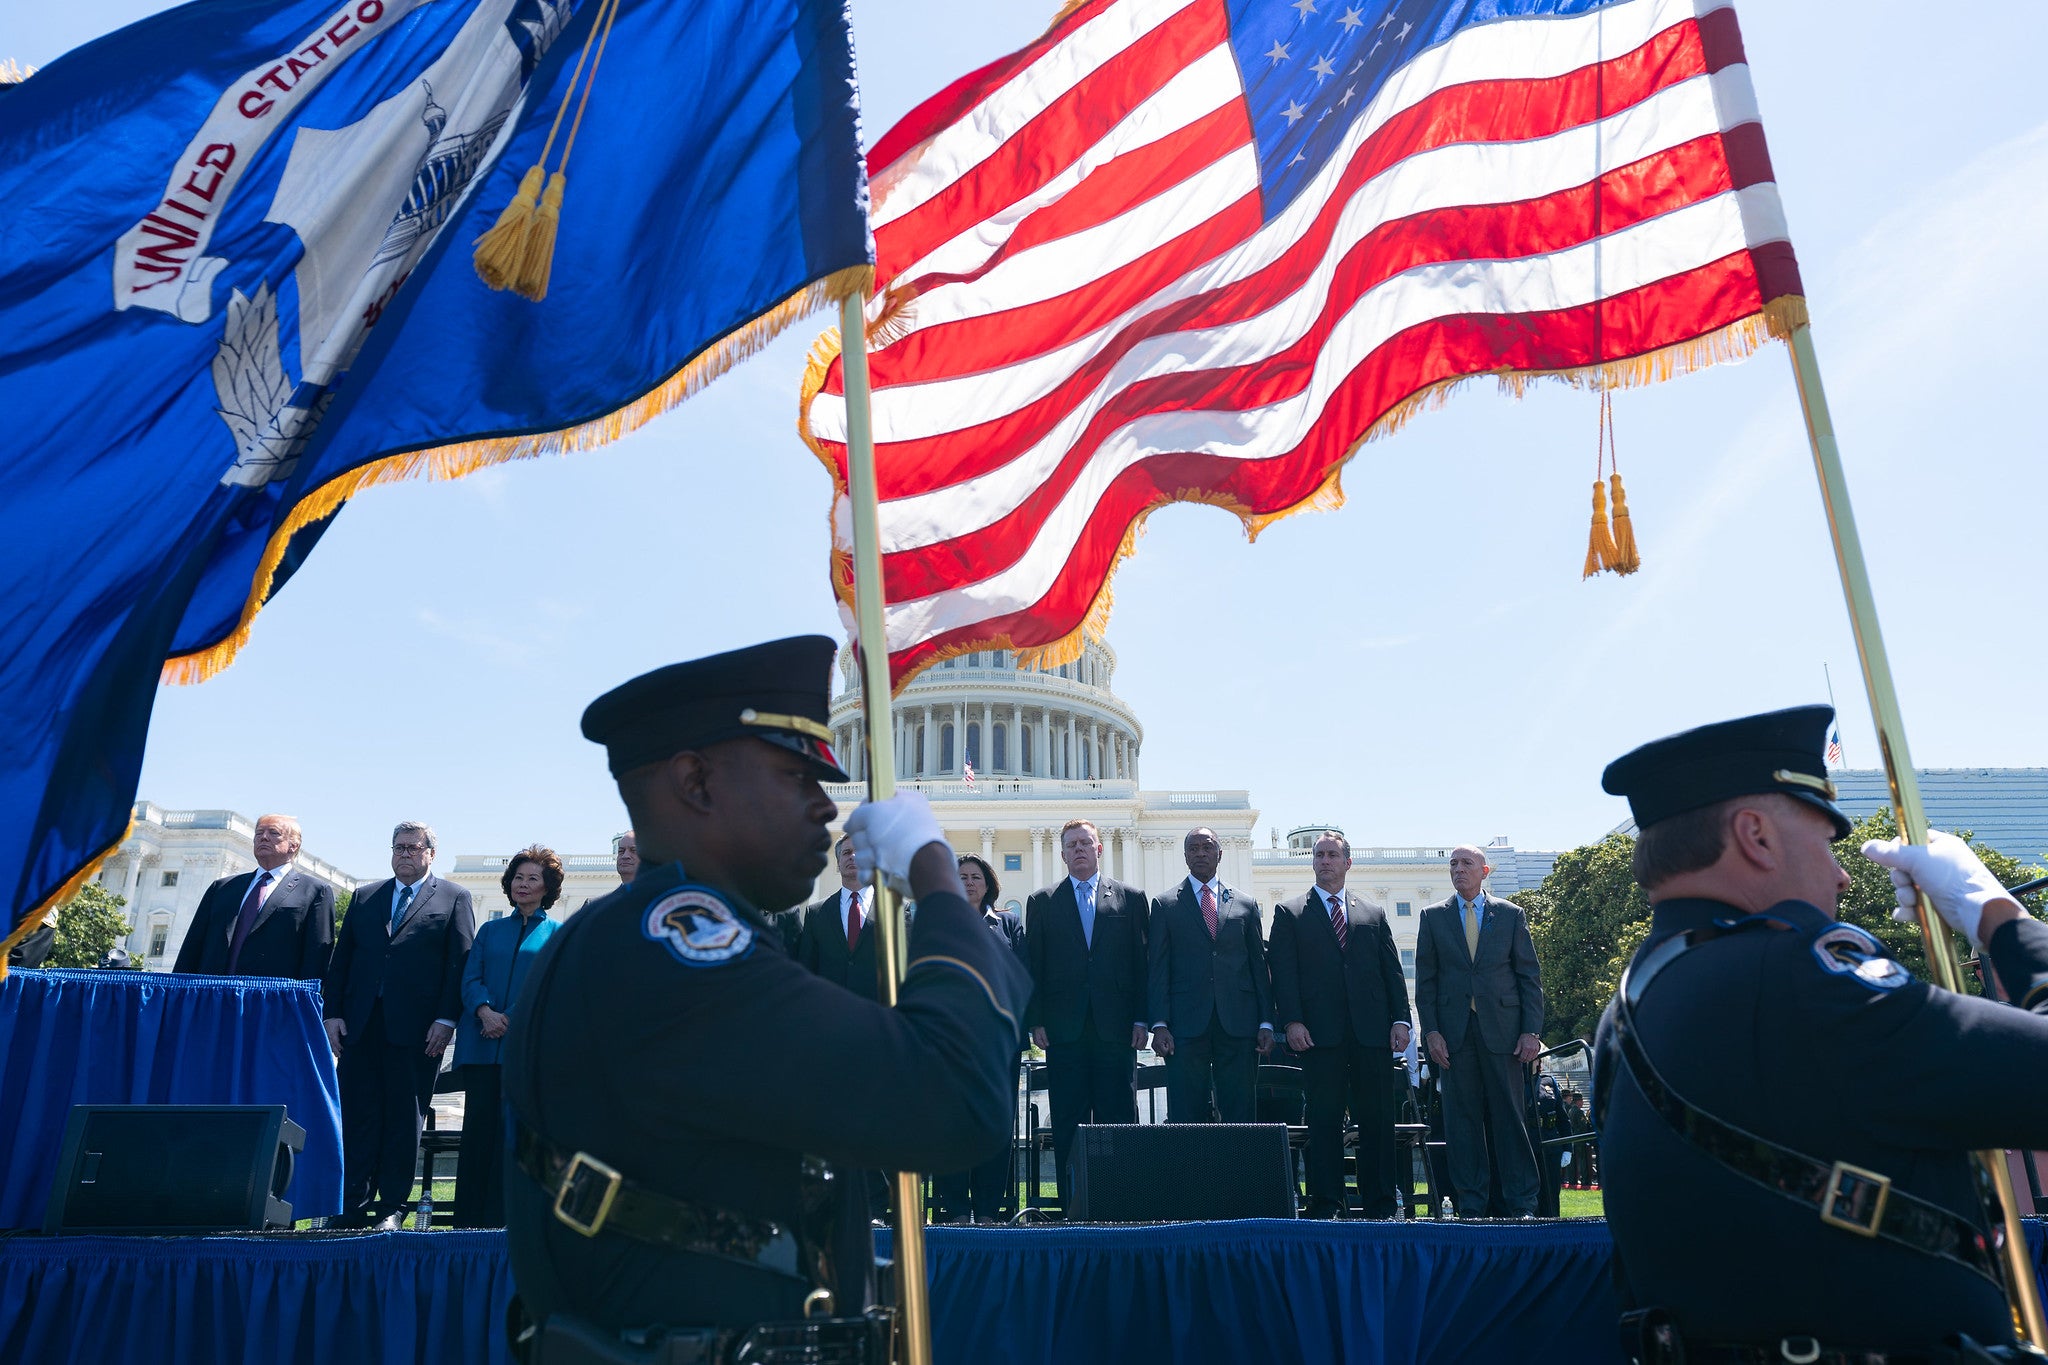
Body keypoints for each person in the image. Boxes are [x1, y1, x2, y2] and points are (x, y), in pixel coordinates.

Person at [501, 636, 1029, 1363]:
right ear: (697, 782)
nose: (827, 808)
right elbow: (952, 1097)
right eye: (797, 776)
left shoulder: (644, 936)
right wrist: (937, 875)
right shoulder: (676, 951)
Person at [1595, 706, 2048, 1361]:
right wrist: (1999, 915)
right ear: (1756, 836)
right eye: (1826, 842)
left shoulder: (1631, 1004)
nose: (1841, 874)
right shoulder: (1802, 978)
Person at [322, 820, 476, 1229]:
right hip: (360, 1027)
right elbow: (341, 962)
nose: (404, 854)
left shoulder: (454, 897)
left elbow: (459, 963)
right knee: (357, 1116)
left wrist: (446, 1019)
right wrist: (332, 1014)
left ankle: (391, 1206)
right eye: (398, 847)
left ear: (431, 854)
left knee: (403, 1120)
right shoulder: (366, 896)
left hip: (418, 1032)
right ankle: (351, 1205)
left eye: (412, 847)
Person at [1268, 831, 1412, 1218]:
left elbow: (1391, 972)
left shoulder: (1372, 913)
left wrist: (1401, 1019)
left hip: (1371, 1034)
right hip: (1319, 1036)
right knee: (1323, 1120)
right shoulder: (1290, 912)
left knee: (1377, 1121)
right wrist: (1292, 1021)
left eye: (1332, 855)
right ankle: (1326, 1204)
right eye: (1319, 855)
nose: (1325, 861)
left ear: (1348, 862)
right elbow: (1283, 975)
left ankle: (1381, 1205)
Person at [1022, 819, 1149, 1210]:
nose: (1078, 849)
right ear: (1062, 854)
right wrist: (1036, 1019)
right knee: (1068, 1122)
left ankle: (1121, 1205)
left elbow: (1141, 964)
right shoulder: (1043, 901)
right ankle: (1071, 1207)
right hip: (1065, 1031)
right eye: (1071, 844)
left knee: (1118, 1120)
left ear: (1099, 849)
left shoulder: (1131, 898)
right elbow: (1034, 966)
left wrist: (1142, 1018)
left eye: (1085, 843)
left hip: (1116, 1029)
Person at [1414, 844, 1543, 1217]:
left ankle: (1522, 1203)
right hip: (1454, 1037)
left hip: (1504, 1034)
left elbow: (1528, 976)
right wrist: (1431, 1032)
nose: (1458, 869)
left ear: (1485, 871)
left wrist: (1531, 1031)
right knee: (1462, 1123)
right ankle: (1471, 1204)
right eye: (1453, 864)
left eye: (1466, 863)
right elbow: (1426, 982)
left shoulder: (1511, 914)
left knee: (1511, 1120)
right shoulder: (1432, 917)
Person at [452, 844, 562, 1228]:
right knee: (476, 1134)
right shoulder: (489, 930)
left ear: (547, 887)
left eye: (533, 878)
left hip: (524, 1053)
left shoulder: (556, 934)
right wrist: (485, 1011)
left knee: (513, 1137)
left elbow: (548, 987)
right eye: (518, 877)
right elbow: (470, 978)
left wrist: (509, 1019)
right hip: (481, 1047)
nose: (523, 884)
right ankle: (465, 1223)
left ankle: (503, 1223)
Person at [1147, 827, 1273, 1124]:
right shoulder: (1165, 905)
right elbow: (1158, 968)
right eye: (1193, 848)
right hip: (1185, 1025)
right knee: (1186, 1114)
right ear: (1185, 856)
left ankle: (1239, 1158)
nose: (1200, 853)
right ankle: (1191, 1158)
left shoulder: (1245, 904)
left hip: (1238, 1024)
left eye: (1207, 847)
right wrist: (1159, 1023)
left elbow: (1258, 966)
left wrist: (1266, 1021)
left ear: (1220, 853)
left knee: (1240, 1112)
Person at [934, 853, 1024, 1222]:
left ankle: (987, 1209)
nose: (969, 882)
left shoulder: (1008, 923)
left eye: (975, 877)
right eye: (961, 877)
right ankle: (956, 1208)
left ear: (988, 884)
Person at [172, 813, 335, 978]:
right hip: (214, 989)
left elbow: (317, 958)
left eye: (274, 833)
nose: (263, 837)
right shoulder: (222, 888)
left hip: (272, 992)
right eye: (259, 833)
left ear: (293, 845)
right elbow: (192, 947)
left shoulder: (315, 891)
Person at [799, 836, 885, 1000]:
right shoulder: (816, 913)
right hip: (830, 1007)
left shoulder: (895, 911)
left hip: (879, 1010)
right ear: (838, 864)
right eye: (846, 852)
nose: (853, 856)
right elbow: (807, 968)